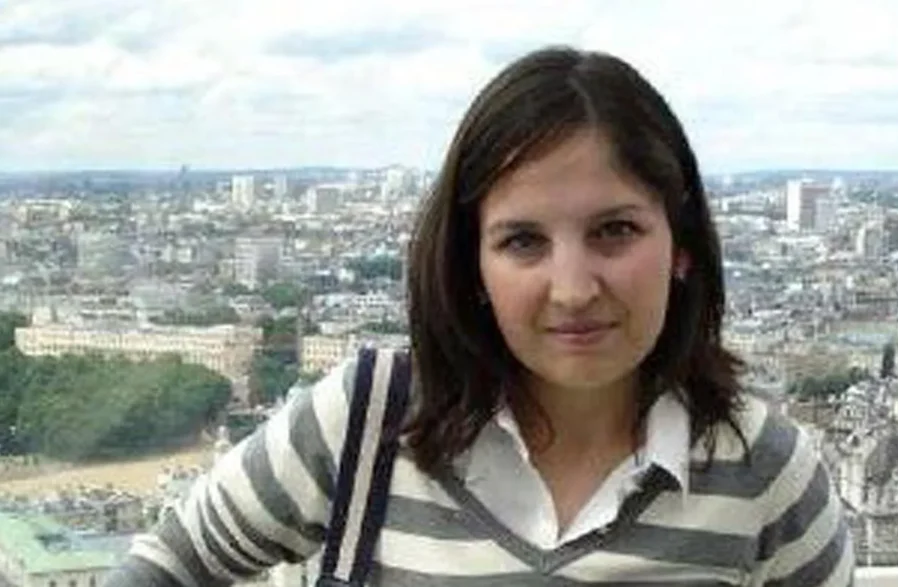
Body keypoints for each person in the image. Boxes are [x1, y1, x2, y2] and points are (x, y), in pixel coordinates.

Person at [103, 45, 854, 586]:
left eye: (615, 230)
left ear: (681, 246)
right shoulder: (363, 421)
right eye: (524, 241)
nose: (572, 288)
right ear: (473, 266)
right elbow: (166, 565)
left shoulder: (767, 475)